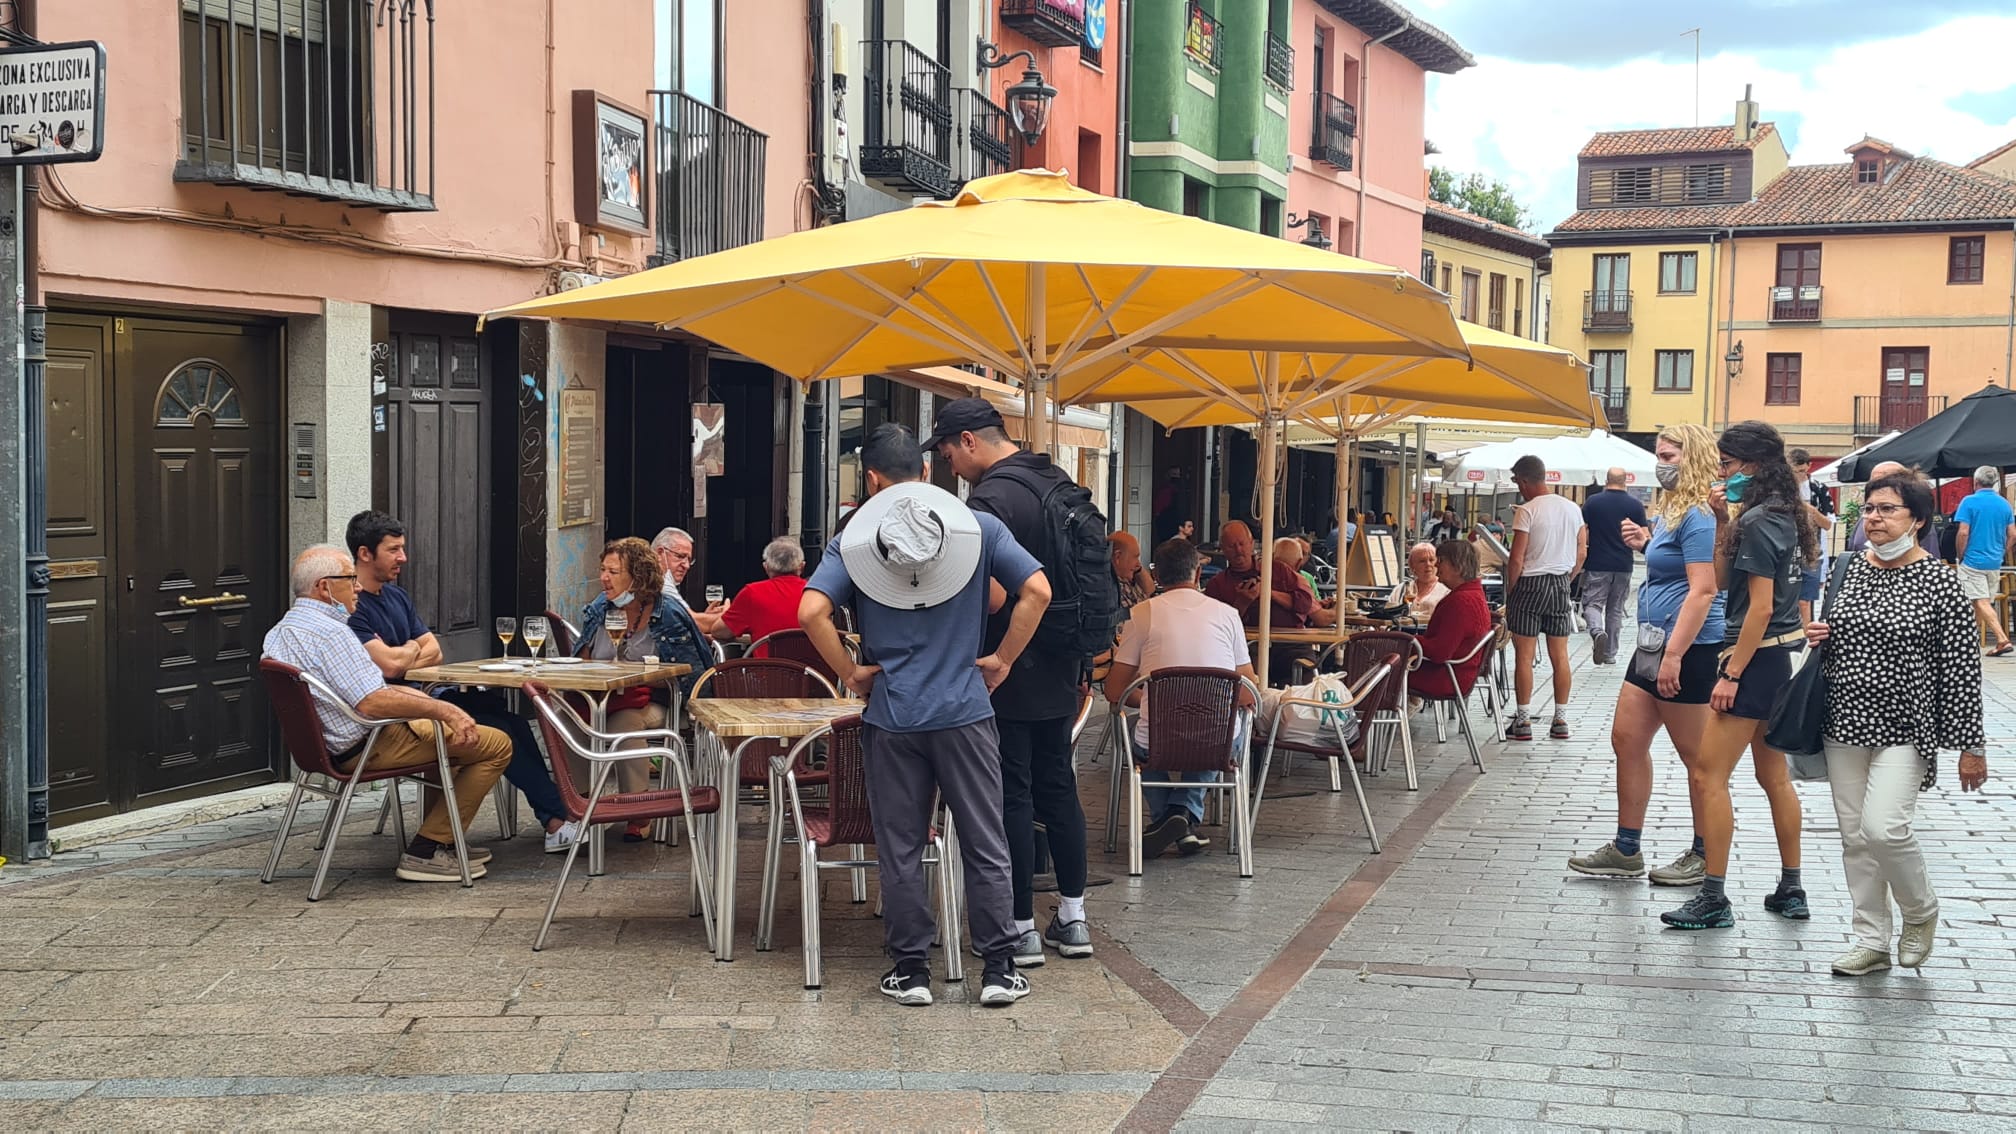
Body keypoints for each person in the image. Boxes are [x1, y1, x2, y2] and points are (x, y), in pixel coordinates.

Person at [799, 422, 1051, 1008]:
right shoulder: (980, 527)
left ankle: (912, 970)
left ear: (870, 479)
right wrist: (1003, 659)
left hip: (893, 715)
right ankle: (997, 968)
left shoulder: (855, 541)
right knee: (986, 841)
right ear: (928, 471)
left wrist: (850, 670)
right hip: (964, 709)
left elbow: (812, 610)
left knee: (902, 845)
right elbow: (1035, 591)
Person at [927, 397, 1098, 966]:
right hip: (1062, 660)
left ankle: (1021, 925)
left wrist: (994, 650)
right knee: (1059, 785)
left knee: (1012, 794)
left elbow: (998, 594)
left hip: (1011, 662)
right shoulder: (1052, 475)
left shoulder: (993, 500)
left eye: (949, 452)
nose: (950, 466)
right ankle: (1073, 919)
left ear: (971, 441)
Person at [1808, 473, 1988, 976]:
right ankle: (1871, 939)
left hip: (1907, 727)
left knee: (1883, 828)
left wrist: (1971, 745)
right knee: (1854, 837)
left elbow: (1961, 668)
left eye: (1887, 510)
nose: (1874, 519)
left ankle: (1920, 910)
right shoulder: (1848, 568)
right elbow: (1833, 633)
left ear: (1918, 520)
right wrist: (1819, 633)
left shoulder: (1940, 582)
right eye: (1869, 510)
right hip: (1843, 718)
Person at [263, 546, 513, 883]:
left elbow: (362, 692)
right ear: (324, 587)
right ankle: (428, 849)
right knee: (496, 744)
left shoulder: (280, 631)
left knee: (445, 735)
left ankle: (446, 838)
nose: (357, 587)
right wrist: (445, 709)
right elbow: (372, 703)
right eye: (349, 579)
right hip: (367, 744)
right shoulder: (334, 634)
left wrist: (425, 704)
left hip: (324, 749)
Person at [343, 510, 576, 854]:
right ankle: (557, 820)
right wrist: (409, 650)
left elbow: (433, 651)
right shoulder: (354, 605)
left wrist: (402, 652)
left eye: (402, 548)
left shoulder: (397, 597)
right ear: (365, 553)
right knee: (502, 734)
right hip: (402, 712)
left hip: (429, 696)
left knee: (513, 720)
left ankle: (558, 817)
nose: (403, 558)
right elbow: (390, 668)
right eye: (393, 550)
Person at [1659, 421, 1814, 931]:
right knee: (1773, 777)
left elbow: (1760, 608)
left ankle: (1714, 895)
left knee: (1707, 774)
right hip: (1776, 661)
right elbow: (1727, 578)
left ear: (1750, 464)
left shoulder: (1763, 520)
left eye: (1726, 464)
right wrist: (1725, 521)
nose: (1721, 472)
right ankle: (1791, 886)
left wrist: (1731, 673)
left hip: (1754, 658)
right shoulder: (1782, 515)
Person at [1568, 425, 1726, 885]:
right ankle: (1626, 847)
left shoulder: (1698, 514)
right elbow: (1675, 566)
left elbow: (1703, 590)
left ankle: (1703, 852)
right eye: (1659, 454)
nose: (1662, 463)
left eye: (1670, 454)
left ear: (1692, 457)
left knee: (1697, 758)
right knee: (1627, 740)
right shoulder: (1674, 511)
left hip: (1686, 648)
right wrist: (1647, 541)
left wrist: (1676, 654)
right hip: (1652, 643)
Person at [1105, 537, 1259, 858]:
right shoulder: (1228, 614)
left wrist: (1152, 701)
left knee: (1135, 733)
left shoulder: (1140, 614)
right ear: (1198, 573)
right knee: (1220, 728)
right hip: (1217, 742)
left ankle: (1167, 818)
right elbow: (1247, 693)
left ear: (1157, 577)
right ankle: (1183, 817)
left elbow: (1114, 692)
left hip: (1159, 739)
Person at [578, 537, 709, 841]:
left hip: (659, 700)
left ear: (636, 577)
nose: (604, 578)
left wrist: (643, 677)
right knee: (566, 717)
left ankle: (638, 810)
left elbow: (693, 674)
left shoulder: (670, 613)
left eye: (613, 571)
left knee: (625, 723)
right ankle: (582, 804)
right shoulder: (601, 606)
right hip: (605, 697)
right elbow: (581, 658)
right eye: (602, 569)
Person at [1503, 455, 1587, 741]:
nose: (1517, 487)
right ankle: (1560, 720)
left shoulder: (1526, 511)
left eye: (1516, 481)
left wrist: (1511, 590)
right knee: (1560, 656)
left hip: (1529, 583)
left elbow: (1516, 558)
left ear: (1524, 480)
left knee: (1524, 658)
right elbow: (1582, 552)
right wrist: (1568, 578)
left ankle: (1523, 721)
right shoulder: (1573, 509)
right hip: (1560, 584)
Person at [1205, 520, 1314, 682]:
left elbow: (1305, 604)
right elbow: (1215, 629)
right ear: (1223, 550)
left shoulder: (1278, 570)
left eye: (1242, 544)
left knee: (1304, 673)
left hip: (1290, 646)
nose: (1238, 550)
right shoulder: (1217, 584)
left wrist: (1268, 593)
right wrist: (1242, 603)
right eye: (1231, 546)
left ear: (1251, 544)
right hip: (1246, 650)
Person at [1408, 539, 1493, 703]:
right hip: (1457, 672)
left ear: (1457, 566)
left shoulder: (1460, 601)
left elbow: (1440, 652)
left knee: (1375, 666)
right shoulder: (1474, 594)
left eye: (1440, 561)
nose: (1436, 567)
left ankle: (1366, 723)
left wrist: (1409, 640)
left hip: (1445, 676)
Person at [1580, 467, 1648, 665]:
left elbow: (1582, 531)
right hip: (1623, 564)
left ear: (1605, 480)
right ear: (1625, 480)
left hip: (1598, 562)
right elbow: (1645, 536)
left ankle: (1596, 631)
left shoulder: (1593, 503)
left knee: (1592, 603)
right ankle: (1610, 654)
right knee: (1615, 609)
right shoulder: (1635, 505)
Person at [1951, 465, 2015, 656]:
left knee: (1980, 600)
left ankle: (2002, 639)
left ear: (1975, 481)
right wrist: (2003, 550)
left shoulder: (1969, 502)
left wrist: (1960, 554)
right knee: (1979, 602)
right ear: (1995, 482)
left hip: (1973, 560)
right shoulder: (2004, 503)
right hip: (1995, 561)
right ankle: (1970, 642)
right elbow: (2013, 534)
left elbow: (1963, 532)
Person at [714, 535, 810, 655]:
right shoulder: (815, 593)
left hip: (768, 671)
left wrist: (725, 612)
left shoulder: (752, 593)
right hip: (812, 671)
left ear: (766, 567)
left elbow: (720, 632)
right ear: (802, 566)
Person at [1845, 462, 1942, 557]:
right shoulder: (1850, 566)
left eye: (1887, 508)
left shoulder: (1933, 571)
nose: (1873, 517)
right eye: (1869, 508)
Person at [650, 527, 728, 637]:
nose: (686, 565)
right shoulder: (660, 579)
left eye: (689, 560)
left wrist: (706, 617)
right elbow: (694, 622)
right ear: (659, 553)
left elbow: (684, 621)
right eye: (680, 556)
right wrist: (728, 616)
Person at [1109, 532, 1155, 615]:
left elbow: (1150, 590)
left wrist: (1137, 569)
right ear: (1118, 557)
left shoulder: (1127, 576)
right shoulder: (1112, 590)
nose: (1138, 563)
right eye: (1135, 557)